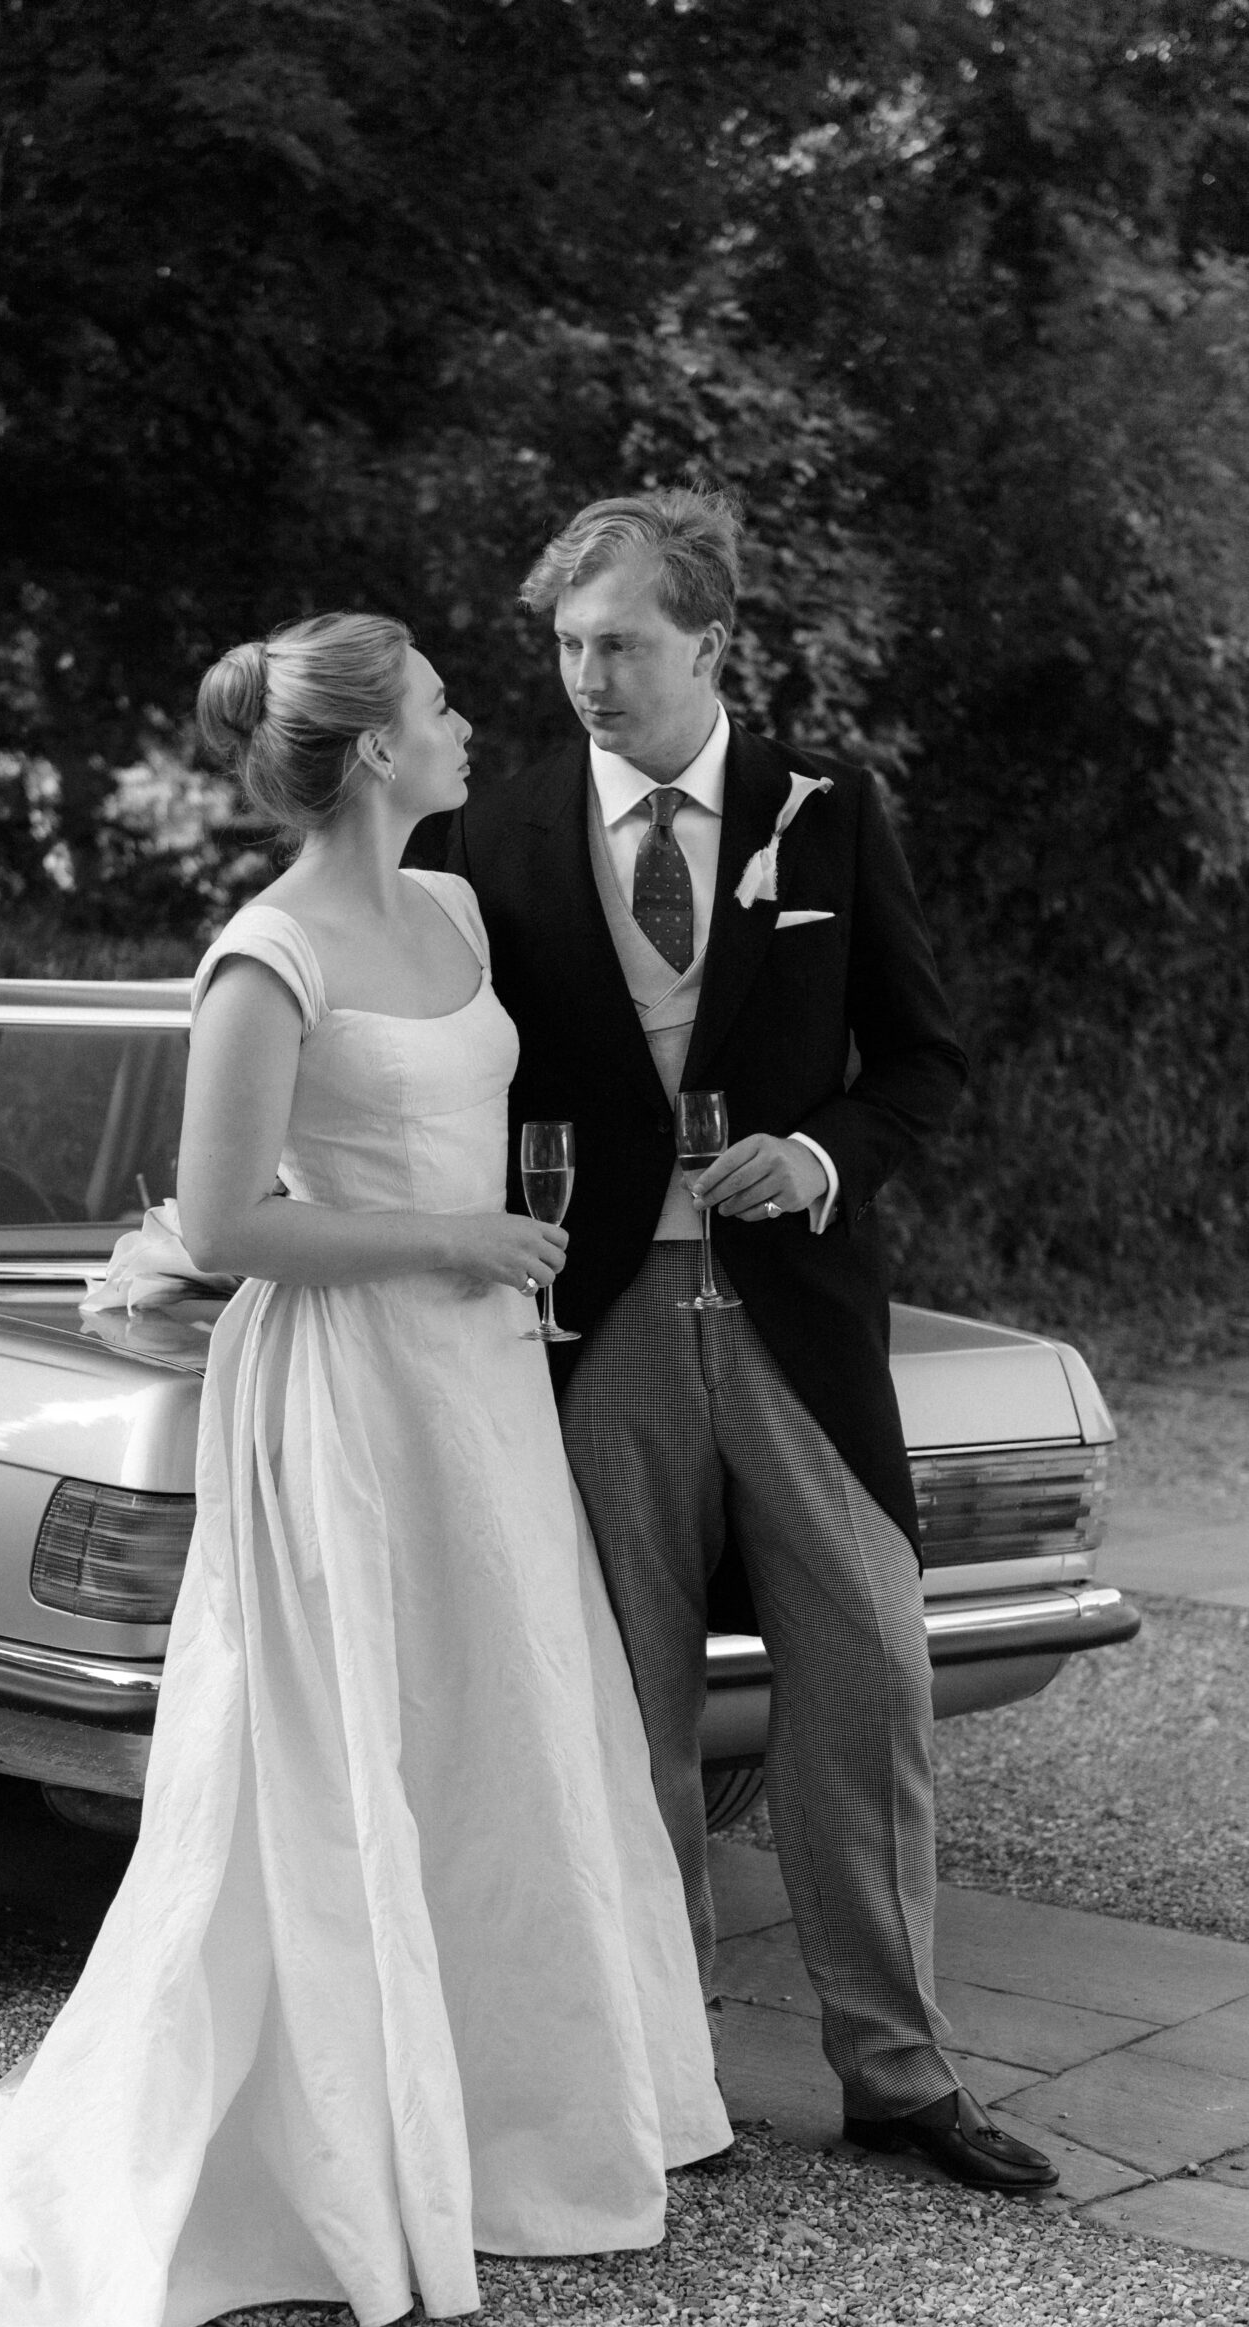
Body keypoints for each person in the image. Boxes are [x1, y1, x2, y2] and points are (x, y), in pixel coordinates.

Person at [0, 612, 730, 2327]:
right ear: (370, 751)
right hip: (351, 1390)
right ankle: (331, 2149)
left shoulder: (451, 915)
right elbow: (222, 1219)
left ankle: (511, 2119)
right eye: (440, 708)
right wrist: (454, 1241)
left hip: (477, 1389)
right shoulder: (263, 955)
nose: (467, 729)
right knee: (330, 1745)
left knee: (491, 1718)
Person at [408, 485, 1057, 2196]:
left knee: (871, 1672)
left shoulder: (830, 815)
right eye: (565, 646)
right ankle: (655, 2076)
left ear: (712, 641)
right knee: (625, 1711)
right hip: (594, 1322)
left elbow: (923, 1060)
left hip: (796, 1318)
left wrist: (827, 1150)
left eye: (619, 642)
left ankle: (900, 2075)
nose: (587, 676)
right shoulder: (485, 839)